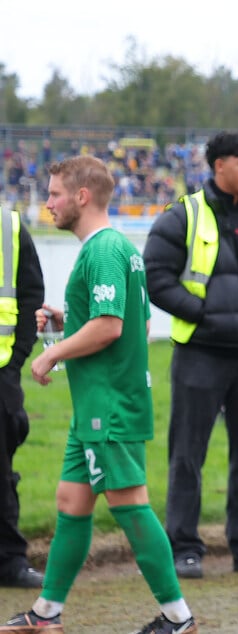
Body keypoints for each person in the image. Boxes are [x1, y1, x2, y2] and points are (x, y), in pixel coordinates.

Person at [0, 156, 197, 634]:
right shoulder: (110, 248)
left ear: (81, 196)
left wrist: (51, 355)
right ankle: (46, 613)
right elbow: (136, 321)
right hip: (93, 406)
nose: (47, 204)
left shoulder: (104, 249)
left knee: (130, 505)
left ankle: (178, 617)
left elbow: (110, 327)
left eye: (54, 195)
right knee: (71, 500)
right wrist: (67, 320)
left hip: (109, 406)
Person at [143, 132, 238, 580]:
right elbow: (156, 277)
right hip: (202, 354)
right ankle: (184, 547)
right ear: (218, 166)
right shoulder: (182, 215)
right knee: (188, 454)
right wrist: (204, 317)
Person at [0, 205, 44, 589]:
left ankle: (9, 561)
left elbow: (31, 296)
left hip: (0, 374)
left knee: (1, 474)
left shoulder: (10, 227)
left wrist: (15, 361)